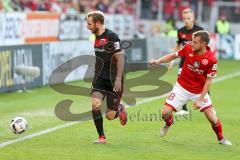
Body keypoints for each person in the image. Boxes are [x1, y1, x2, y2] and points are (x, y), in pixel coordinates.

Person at [149, 30, 232, 145]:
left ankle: (221, 138)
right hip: (181, 88)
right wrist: (157, 61)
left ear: (203, 44)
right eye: (192, 41)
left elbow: (208, 81)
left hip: (199, 92)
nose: (191, 44)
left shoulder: (211, 60)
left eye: (195, 42)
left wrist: (200, 99)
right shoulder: (188, 48)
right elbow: (173, 55)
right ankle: (169, 122)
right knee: (164, 113)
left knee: (212, 118)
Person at [86, 11, 127, 144]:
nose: (87, 27)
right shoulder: (96, 37)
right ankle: (102, 137)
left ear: (98, 23)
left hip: (114, 78)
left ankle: (120, 108)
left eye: (89, 24)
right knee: (95, 104)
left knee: (110, 116)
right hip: (99, 77)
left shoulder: (111, 37)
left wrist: (118, 78)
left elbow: (120, 57)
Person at [168, 8, 203, 116]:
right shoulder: (180, 31)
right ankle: (184, 108)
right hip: (185, 60)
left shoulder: (199, 31)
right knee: (181, 81)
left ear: (193, 18)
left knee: (201, 81)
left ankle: (206, 102)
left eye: (188, 18)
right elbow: (178, 45)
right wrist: (172, 61)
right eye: (184, 18)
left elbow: (205, 46)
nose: (186, 20)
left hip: (197, 61)